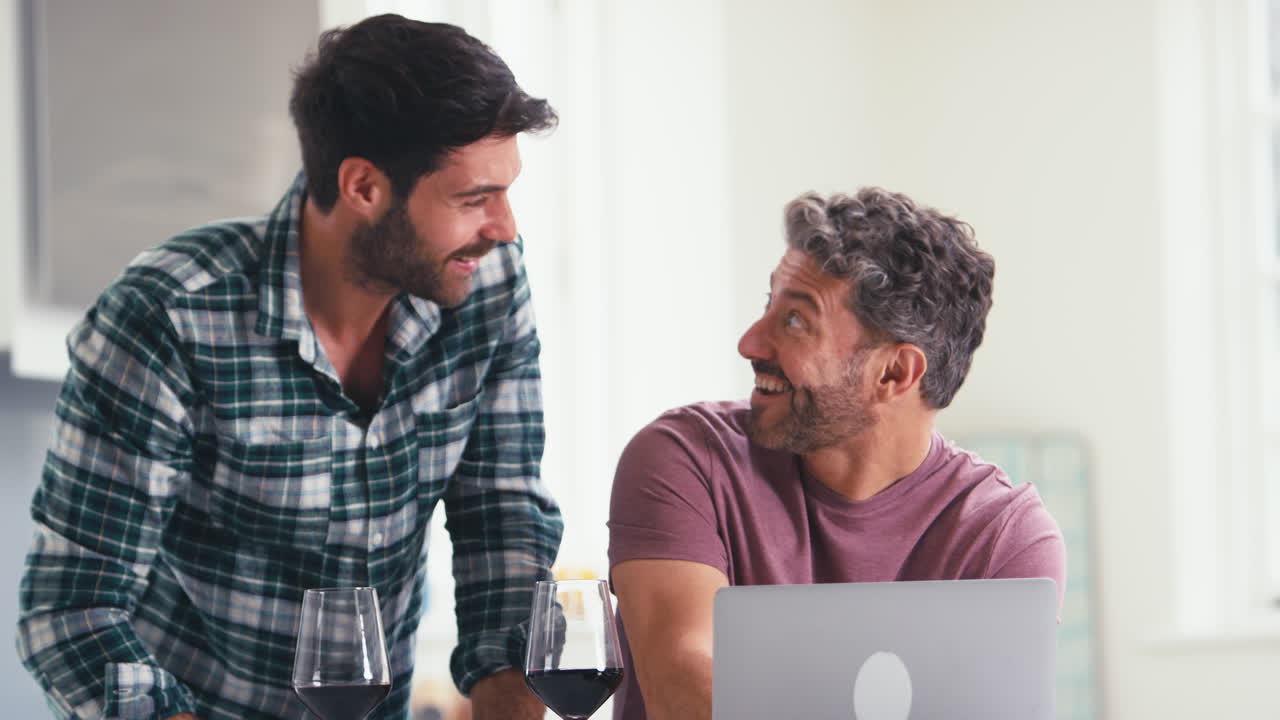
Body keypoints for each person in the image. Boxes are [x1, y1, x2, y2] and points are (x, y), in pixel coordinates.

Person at [17, 14, 562, 720]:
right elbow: (72, 607)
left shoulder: (483, 282)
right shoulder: (169, 318)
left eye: (506, 191)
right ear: (364, 186)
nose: (505, 227)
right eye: (473, 199)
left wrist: (507, 700)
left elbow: (502, 514)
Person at [607, 188, 1067, 720]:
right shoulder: (687, 459)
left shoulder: (1005, 538)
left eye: (796, 321)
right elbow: (683, 691)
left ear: (895, 373)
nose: (751, 342)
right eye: (769, 307)